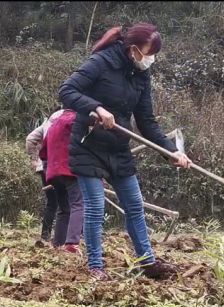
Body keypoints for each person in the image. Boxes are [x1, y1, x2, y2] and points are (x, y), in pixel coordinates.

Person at [59, 23, 191, 281]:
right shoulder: (101, 62)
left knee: (134, 206)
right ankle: (95, 266)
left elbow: (146, 121)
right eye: (148, 53)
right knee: (96, 207)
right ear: (133, 50)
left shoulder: (141, 75)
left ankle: (147, 262)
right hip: (88, 145)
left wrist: (172, 151)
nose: (151, 59)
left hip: (118, 147)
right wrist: (96, 108)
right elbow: (67, 91)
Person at [39, 109, 83, 253]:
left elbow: (43, 152)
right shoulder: (76, 120)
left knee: (64, 208)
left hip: (53, 173)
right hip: (69, 170)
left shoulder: (53, 124)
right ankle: (72, 243)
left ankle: (58, 243)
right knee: (78, 204)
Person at [25, 109, 64, 243]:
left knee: (52, 202)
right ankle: (60, 236)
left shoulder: (47, 123)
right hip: (59, 166)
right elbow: (30, 139)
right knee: (64, 203)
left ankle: (46, 235)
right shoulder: (63, 120)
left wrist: (35, 160)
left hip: (46, 167)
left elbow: (30, 139)